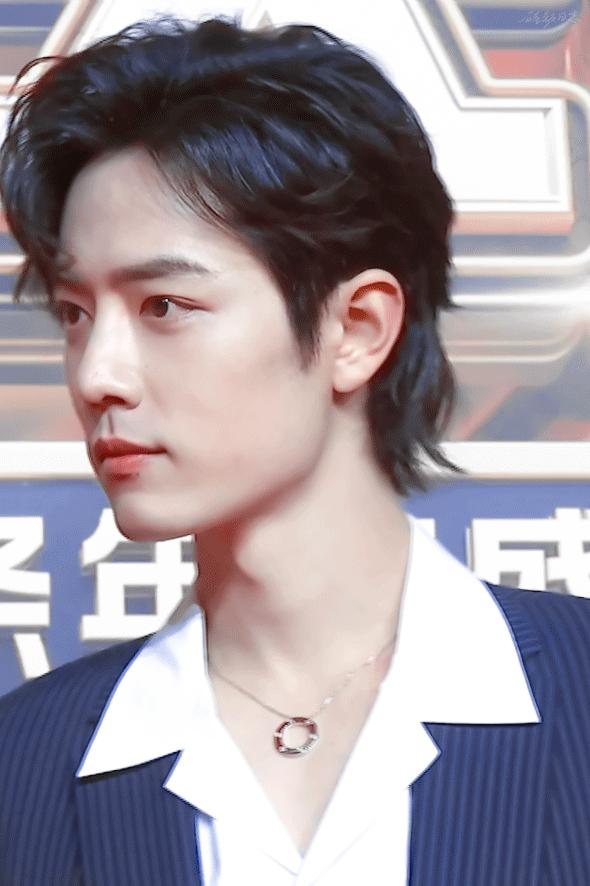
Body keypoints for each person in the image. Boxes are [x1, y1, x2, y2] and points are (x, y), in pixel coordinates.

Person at [0, 14, 589, 886]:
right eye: (76, 314)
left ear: (358, 329)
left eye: (164, 306)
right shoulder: (23, 767)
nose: (97, 375)